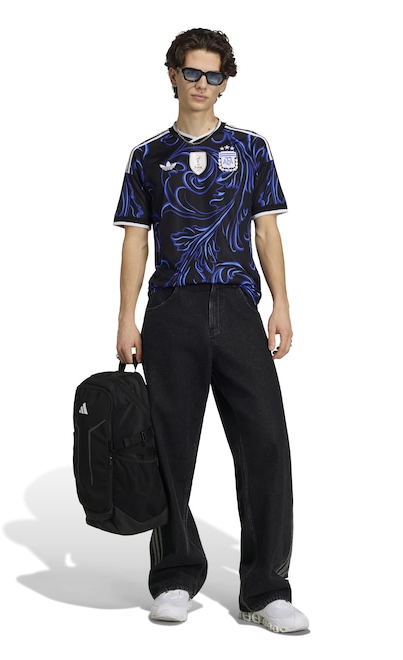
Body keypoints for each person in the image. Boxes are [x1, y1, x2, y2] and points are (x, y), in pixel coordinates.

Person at [113, 27, 309, 634]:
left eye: (214, 75)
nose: (202, 84)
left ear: (226, 82)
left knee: (265, 443)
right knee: (170, 448)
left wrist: (281, 305)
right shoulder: (147, 156)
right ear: (173, 75)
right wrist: (125, 316)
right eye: (192, 72)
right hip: (171, 308)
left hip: (237, 306)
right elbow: (135, 241)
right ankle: (174, 577)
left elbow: (267, 232)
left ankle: (266, 590)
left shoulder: (251, 150)